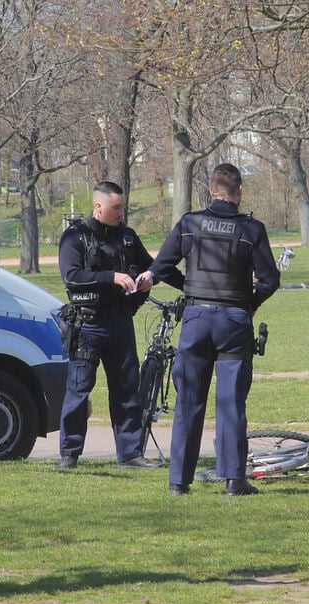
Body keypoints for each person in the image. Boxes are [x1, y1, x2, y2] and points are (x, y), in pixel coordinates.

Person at [143, 163, 280, 496]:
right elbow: (270, 280)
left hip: (197, 319)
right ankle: (234, 479)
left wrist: (189, 287)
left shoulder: (190, 223)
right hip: (234, 320)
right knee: (231, 403)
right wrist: (250, 302)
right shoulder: (252, 229)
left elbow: (160, 267)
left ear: (210, 190)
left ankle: (178, 481)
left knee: (188, 401)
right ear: (239, 191)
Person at [56, 181, 155, 470]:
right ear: (98, 206)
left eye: (123, 207)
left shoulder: (127, 236)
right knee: (79, 389)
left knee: (126, 390)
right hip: (87, 325)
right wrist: (111, 277)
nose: (121, 213)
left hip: (121, 323)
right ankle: (69, 454)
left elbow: (148, 265)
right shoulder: (75, 236)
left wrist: (149, 277)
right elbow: (72, 275)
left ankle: (130, 454)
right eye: (116, 208)